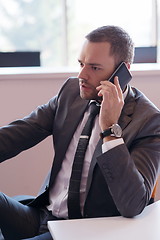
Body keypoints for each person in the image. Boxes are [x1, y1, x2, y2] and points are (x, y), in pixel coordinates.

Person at [0, 25, 160, 240]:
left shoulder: (148, 121)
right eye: (81, 64)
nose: (81, 75)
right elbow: (20, 132)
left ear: (122, 71)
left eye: (94, 68)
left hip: (87, 231)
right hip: (44, 217)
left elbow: (133, 204)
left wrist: (110, 129)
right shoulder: (71, 92)